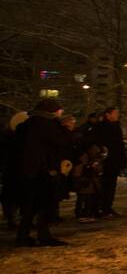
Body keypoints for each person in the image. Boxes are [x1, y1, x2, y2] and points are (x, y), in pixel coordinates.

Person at [14, 99, 67, 246]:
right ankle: (42, 235)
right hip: (42, 171)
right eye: (58, 109)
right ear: (51, 111)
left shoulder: (27, 125)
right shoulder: (47, 125)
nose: (60, 112)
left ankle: (24, 235)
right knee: (43, 204)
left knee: (31, 205)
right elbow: (58, 143)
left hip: (28, 171)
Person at [91, 106, 126, 217]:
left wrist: (122, 159)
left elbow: (120, 145)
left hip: (114, 160)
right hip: (104, 161)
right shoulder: (100, 127)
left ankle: (107, 207)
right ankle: (98, 207)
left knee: (111, 185)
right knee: (102, 185)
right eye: (115, 113)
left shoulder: (117, 127)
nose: (117, 115)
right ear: (108, 114)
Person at [73, 144, 106, 223]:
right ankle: (83, 213)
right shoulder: (85, 157)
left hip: (89, 180)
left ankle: (87, 212)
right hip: (85, 180)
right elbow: (79, 169)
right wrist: (79, 178)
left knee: (88, 197)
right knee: (84, 197)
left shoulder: (93, 158)